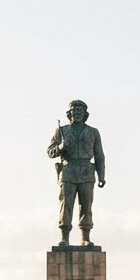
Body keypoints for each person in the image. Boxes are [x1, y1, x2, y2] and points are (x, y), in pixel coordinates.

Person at [47, 99, 107, 246]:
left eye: (80, 111)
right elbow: (50, 152)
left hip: (86, 171)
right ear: (69, 113)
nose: (77, 113)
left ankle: (85, 237)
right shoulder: (62, 131)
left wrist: (101, 176)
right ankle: (64, 237)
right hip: (67, 171)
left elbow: (99, 155)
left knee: (86, 206)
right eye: (74, 111)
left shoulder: (93, 132)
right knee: (66, 205)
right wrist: (60, 147)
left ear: (85, 114)